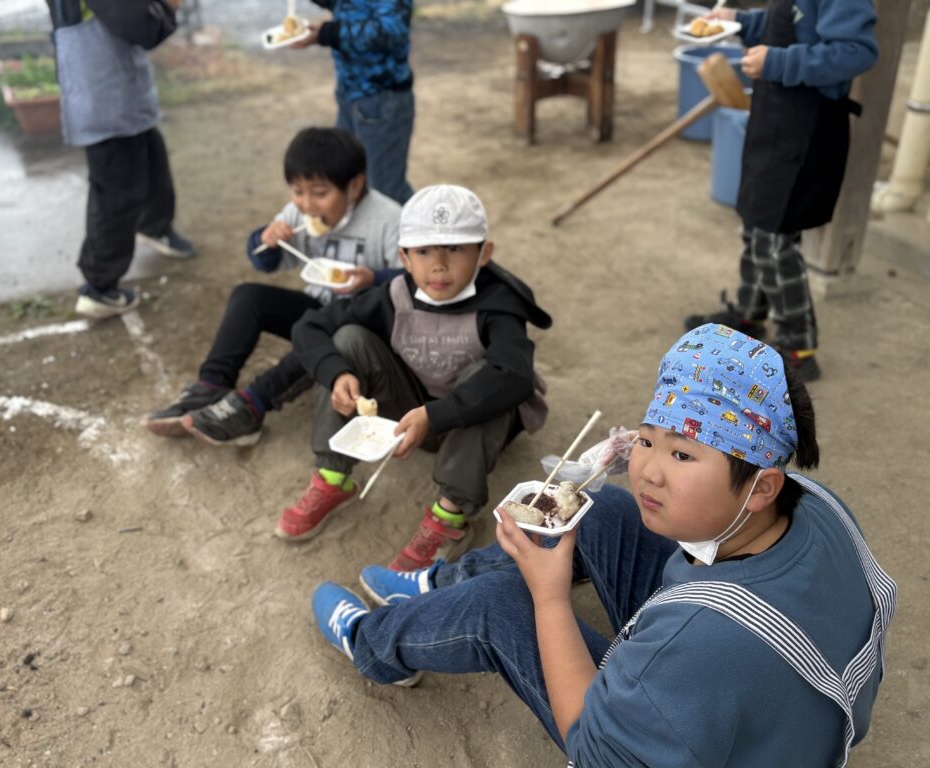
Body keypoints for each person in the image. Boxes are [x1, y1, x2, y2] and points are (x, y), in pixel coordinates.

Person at [312, 323, 897, 766]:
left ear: (761, 486)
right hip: (765, 708)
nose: (648, 470)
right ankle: (435, 586)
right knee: (603, 508)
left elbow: (593, 749)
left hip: (710, 708)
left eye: (682, 454)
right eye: (648, 440)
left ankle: (370, 643)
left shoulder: (700, 638)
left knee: (502, 605)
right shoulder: (812, 500)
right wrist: (657, 449)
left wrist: (549, 599)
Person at [284, 184, 551, 570]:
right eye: (423, 251)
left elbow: (515, 376)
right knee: (347, 339)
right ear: (404, 259)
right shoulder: (394, 295)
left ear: (484, 253)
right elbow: (310, 326)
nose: (439, 265)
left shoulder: (499, 305)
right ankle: (333, 474)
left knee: (488, 378)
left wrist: (436, 414)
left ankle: (450, 515)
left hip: (473, 426)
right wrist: (336, 373)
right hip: (414, 413)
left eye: (455, 249)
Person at [145, 127, 402, 446]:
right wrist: (266, 240)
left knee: (328, 335)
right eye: (298, 191)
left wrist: (373, 279)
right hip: (317, 311)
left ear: (355, 185)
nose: (307, 204)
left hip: (360, 327)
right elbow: (264, 262)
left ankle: (251, 407)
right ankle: (210, 386)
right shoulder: (298, 213)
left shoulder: (389, 219)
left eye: (320, 193)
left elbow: (411, 283)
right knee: (248, 296)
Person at [684, 0, 879, 382]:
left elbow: (855, 52)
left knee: (774, 241)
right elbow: (788, 22)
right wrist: (740, 22)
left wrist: (777, 62)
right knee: (755, 223)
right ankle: (749, 315)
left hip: (806, 129)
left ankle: (798, 346)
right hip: (774, 119)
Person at [48, 0, 197, 319]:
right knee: (117, 192)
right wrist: (169, 6)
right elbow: (144, 27)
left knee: (151, 155)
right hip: (104, 97)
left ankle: (155, 226)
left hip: (116, 87)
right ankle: (99, 286)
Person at [290, 0, 415, 204]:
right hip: (348, 96)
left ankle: (418, 224)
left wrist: (326, 33)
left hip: (382, 100)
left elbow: (391, 31)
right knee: (345, 176)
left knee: (385, 191)